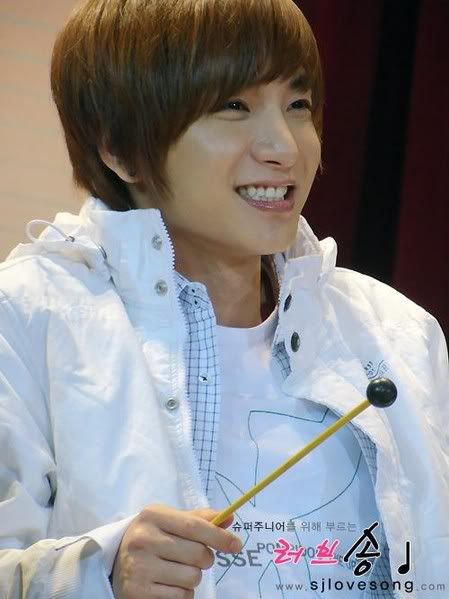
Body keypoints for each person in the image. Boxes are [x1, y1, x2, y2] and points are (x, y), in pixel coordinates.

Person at [0, 0, 448, 597]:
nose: (285, 147)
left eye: (298, 105)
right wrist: (98, 574)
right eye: (234, 106)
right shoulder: (26, 318)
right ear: (120, 148)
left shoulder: (398, 332)